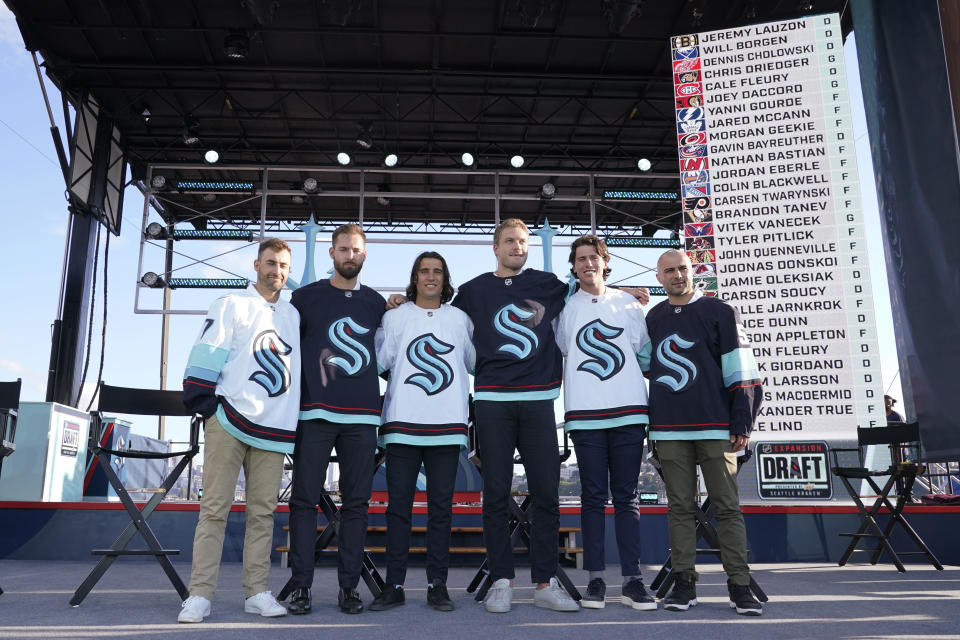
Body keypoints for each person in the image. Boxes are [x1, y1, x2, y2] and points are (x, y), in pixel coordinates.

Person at [449, 218, 579, 613]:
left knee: (546, 493)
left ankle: (544, 580)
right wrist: (400, 301)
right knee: (496, 494)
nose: (518, 247)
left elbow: (591, 291)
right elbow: (438, 319)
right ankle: (501, 580)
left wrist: (630, 294)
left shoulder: (549, 285)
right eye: (510, 241)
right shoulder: (472, 291)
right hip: (492, 400)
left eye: (523, 242)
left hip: (539, 399)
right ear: (495, 247)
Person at [178, 238, 300, 623]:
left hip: (274, 427)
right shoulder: (230, 304)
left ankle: (256, 591)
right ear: (255, 264)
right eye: (269, 262)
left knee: (263, 514)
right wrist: (208, 409)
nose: (275, 271)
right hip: (229, 420)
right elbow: (205, 354)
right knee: (214, 510)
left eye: (282, 265)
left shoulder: (295, 315)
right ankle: (199, 594)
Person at [639, 249, 764, 616]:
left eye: (682, 268)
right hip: (669, 428)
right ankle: (683, 584)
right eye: (669, 271)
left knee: (726, 506)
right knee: (679, 507)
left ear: (693, 272)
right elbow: (647, 365)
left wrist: (742, 420)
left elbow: (740, 368)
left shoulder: (720, 312)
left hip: (715, 426)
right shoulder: (654, 318)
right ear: (659, 277)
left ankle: (739, 586)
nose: (677, 275)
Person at [286, 224, 386, 615]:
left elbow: (389, 356)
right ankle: (301, 587)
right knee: (303, 501)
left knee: (357, 503)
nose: (350, 255)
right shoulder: (304, 299)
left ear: (364, 255)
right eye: (343, 249)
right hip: (314, 413)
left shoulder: (377, 304)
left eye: (356, 250)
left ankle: (349, 588)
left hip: (361, 417)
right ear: (331, 253)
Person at [369, 252, 475, 612]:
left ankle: (437, 585)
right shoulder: (394, 318)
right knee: (398, 510)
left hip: (447, 427)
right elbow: (380, 362)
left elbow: (474, 363)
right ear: (414, 277)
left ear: (445, 279)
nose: (430, 277)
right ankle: (393, 584)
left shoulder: (461, 319)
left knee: (440, 511)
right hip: (401, 425)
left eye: (437, 272)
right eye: (424, 271)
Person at [555, 235, 655, 612]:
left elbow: (643, 354)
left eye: (593, 258)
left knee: (627, 498)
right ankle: (595, 578)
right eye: (580, 259)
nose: (587, 264)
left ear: (605, 262)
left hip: (629, 410)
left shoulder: (628, 303)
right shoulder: (566, 308)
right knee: (593, 497)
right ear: (573, 266)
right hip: (585, 413)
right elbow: (565, 347)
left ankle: (633, 580)